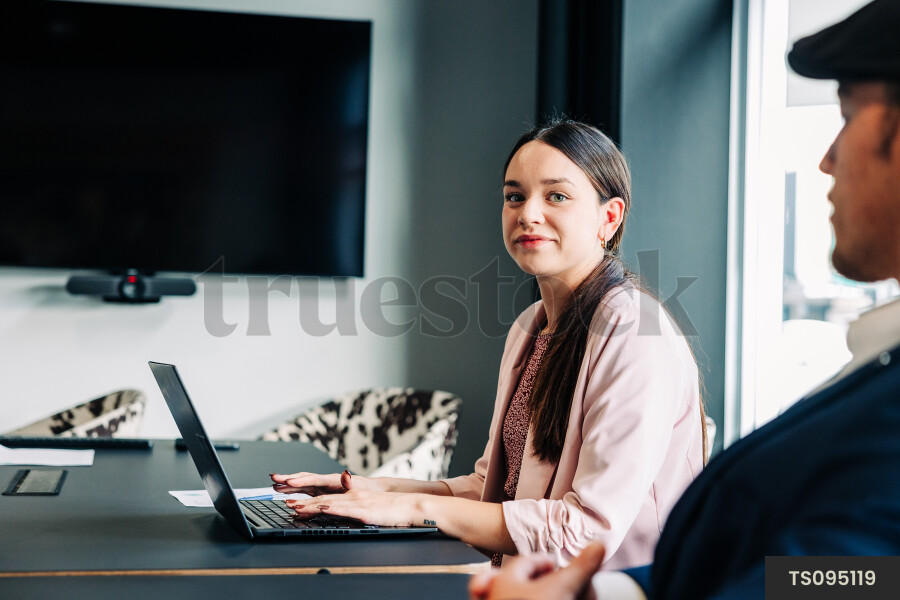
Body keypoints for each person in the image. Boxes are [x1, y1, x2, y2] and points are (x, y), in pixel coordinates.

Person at [469, 0, 900, 598]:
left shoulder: (628, 326)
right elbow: (844, 577)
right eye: (514, 196)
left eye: (848, 116)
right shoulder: (877, 366)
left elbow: (849, 578)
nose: (826, 158)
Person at [271, 119, 707, 569]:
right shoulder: (530, 328)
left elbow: (585, 535)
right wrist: (376, 490)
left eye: (556, 195)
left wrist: (416, 510)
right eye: (514, 196)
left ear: (609, 217)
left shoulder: (634, 332)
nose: (528, 214)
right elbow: (494, 492)